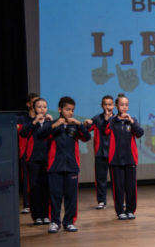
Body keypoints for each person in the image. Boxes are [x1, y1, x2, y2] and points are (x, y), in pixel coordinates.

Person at [44, 96, 91, 233]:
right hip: (55, 167)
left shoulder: (74, 127)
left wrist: (79, 124)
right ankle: (54, 222)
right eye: (67, 109)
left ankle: (69, 222)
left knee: (71, 197)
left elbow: (87, 137)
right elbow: (41, 135)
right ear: (60, 109)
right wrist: (54, 125)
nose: (70, 112)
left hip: (71, 167)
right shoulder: (52, 125)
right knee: (55, 196)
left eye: (72, 110)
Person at [105, 94, 144, 220]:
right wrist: (107, 118)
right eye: (121, 105)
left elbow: (140, 133)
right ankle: (120, 210)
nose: (124, 107)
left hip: (130, 158)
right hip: (116, 159)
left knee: (131, 186)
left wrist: (132, 122)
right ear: (116, 106)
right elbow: (105, 131)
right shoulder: (112, 121)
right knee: (118, 187)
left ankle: (130, 210)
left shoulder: (131, 120)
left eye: (126, 105)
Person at [19, 97, 52, 225]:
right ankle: (37, 215)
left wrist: (51, 123)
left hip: (47, 160)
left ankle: (46, 215)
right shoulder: (30, 123)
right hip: (33, 160)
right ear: (34, 108)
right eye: (39, 107)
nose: (42, 109)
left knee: (46, 188)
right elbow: (23, 133)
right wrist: (34, 122)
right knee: (34, 189)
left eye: (44, 107)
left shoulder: (50, 123)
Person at [84, 95, 114, 210]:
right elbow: (87, 129)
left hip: (113, 153)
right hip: (100, 153)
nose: (107, 107)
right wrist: (86, 124)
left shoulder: (116, 119)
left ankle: (120, 200)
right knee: (101, 179)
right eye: (105, 104)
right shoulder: (97, 118)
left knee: (116, 180)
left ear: (114, 106)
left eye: (110, 104)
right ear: (102, 105)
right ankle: (101, 201)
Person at [17, 92, 39, 214]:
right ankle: (27, 204)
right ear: (28, 104)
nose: (37, 104)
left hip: (39, 152)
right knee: (26, 179)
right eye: (34, 102)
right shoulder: (22, 118)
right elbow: (19, 130)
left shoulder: (43, 117)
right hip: (25, 151)